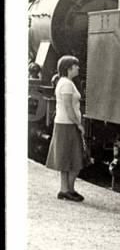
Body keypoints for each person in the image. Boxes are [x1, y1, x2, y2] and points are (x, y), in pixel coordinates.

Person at [45, 55, 87, 202]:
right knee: (75, 159)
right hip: (67, 125)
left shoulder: (65, 82)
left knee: (66, 159)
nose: (78, 68)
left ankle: (66, 190)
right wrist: (79, 125)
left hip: (63, 124)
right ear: (69, 68)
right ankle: (68, 189)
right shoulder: (67, 84)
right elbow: (69, 108)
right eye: (76, 66)